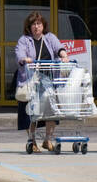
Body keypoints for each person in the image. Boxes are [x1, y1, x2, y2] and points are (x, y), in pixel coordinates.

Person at [15, 11, 66, 151]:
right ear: (29, 27)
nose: (36, 27)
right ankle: (32, 141)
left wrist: (64, 55)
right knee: (30, 112)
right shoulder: (24, 40)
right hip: (31, 81)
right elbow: (19, 53)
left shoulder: (49, 37)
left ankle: (47, 140)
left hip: (48, 80)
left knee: (51, 111)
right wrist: (24, 59)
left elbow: (59, 48)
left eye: (39, 24)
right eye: (33, 24)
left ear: (43, 25)